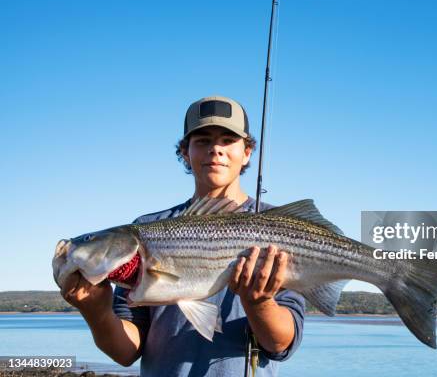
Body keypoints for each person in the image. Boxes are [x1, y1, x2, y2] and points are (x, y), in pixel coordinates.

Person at [60, 96, 305, 376]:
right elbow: (126, 352)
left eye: (228, 140)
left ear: (247, 152)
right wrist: (96, 312)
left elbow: (281, 344)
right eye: (202, 140)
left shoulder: (281, 228)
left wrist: (259, 303)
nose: (216, 149)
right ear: (185, 152)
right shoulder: (146, 227)